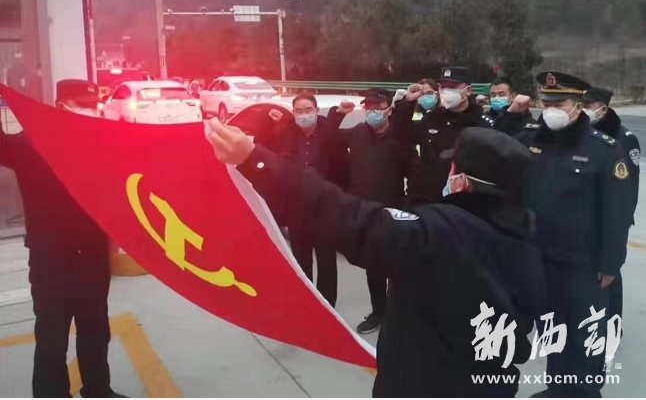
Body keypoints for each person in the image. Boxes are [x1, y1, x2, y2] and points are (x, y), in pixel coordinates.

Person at [206, 119, 545, 397]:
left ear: (461, 182)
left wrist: (257, 160)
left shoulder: (439, 235)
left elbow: (347, 217)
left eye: (451, 166)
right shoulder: (525, 239)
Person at [0, 80, 124, 398]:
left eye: (94, 106)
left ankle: (98, 389)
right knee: (52, 333)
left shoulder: (101, 145)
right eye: (84, 106)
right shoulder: (29, 144)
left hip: (93, 255)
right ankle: (50, 393)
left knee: (95, 327)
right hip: (51, 258)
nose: (91, 112)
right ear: (60, 107)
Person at [512, 72, 630, 398]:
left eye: (559, 103)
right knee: (552, 330)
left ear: (578, 106)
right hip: (540, 259)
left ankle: (586, 392)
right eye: (545, 102)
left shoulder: (603, 149)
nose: (550, 109)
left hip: (583, 265)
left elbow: (616, 212)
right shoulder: (531, 138)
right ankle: (558, 388)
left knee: (585, 336)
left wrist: (610, 263)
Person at [331, 88, 421, 334]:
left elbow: (415, 173)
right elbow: (328, 136)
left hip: (393, 212)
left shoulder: (400, 137)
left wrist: (410, 207)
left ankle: (401, 315)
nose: (372, 112)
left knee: (398, 268)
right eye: (368, 107)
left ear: (388, 109)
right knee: (374, 267)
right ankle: (378, 312)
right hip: (364, 213)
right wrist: (337, 114)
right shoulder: (358, 133)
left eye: (377, 107)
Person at [255, 93, 353, 308]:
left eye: (308, 110)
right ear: (293, 113)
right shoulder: (286, 134)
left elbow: (343, 168)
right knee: (301, 260)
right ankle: (307, 303)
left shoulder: (329, 135)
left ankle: (328, 306)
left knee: (327, 261)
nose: (304, 115)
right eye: (299, 111)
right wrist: (268, 122)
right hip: (296, 208)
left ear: (316, 111)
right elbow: (261, 148)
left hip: (325, 207)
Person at [396, 66, 495, 204]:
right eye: (443, 86)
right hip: (427, 201)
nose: (446, 91)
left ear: (468, 90)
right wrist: (408, 103)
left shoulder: (483, 124)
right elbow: (402, 134)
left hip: (464, 203)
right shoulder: (432, 118)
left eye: (452, 87)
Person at [583, 87, 640, 322]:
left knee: (610, 272)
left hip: (614, 215)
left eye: (588, 106)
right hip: (588, 216)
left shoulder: (624, 138)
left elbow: (630, 185)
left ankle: (613, 323)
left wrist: (623, 220)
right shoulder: (584, 134)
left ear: (603, 108)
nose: (583, 110)